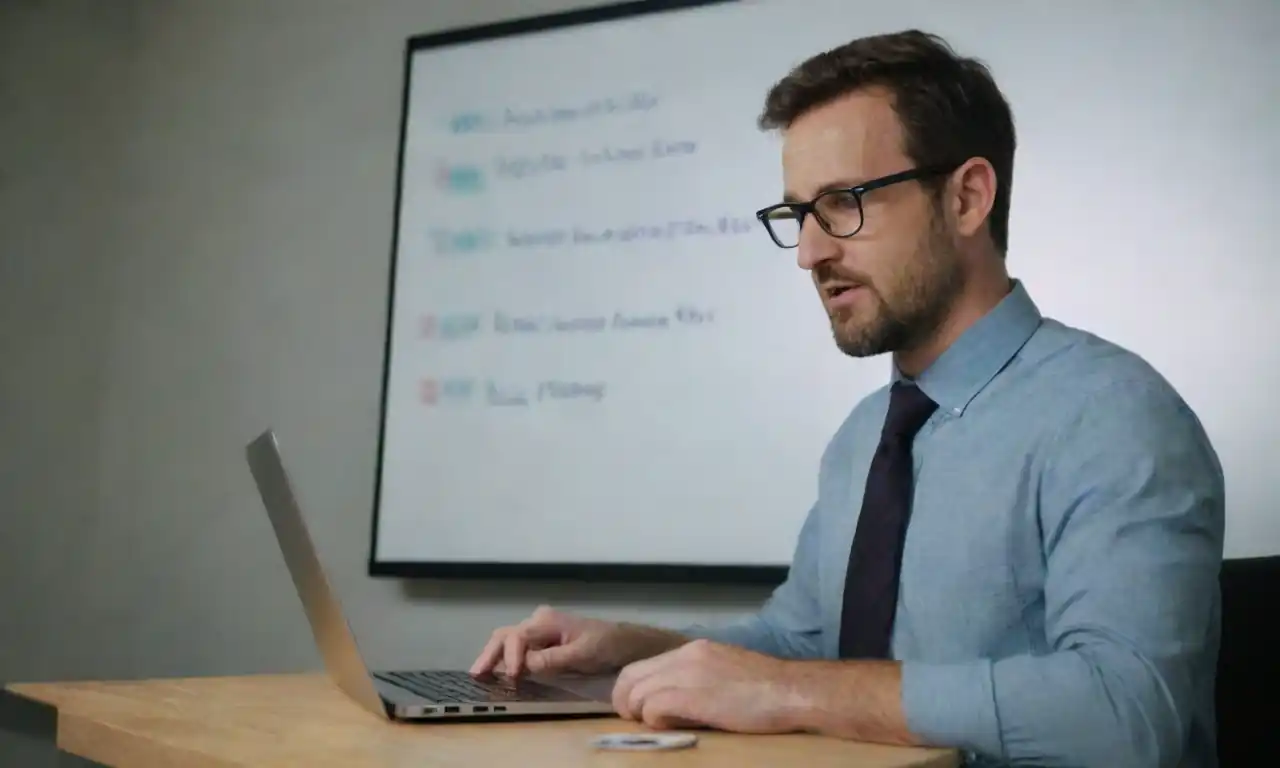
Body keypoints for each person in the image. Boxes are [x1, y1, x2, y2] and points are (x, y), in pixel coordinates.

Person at [470, 29, 1224, 768]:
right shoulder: (865, 437)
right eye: (798, 214)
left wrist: (792, 693)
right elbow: (803, 646)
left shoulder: (1116, 416)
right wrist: (630, 651)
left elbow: (1129, 716)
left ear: (966, 198)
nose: (809, 252)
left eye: (844, 203)